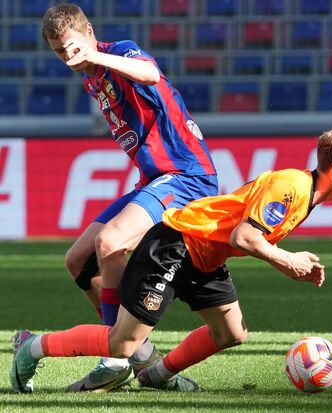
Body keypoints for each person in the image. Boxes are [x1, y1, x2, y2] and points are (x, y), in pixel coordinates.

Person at [10, 123, 332, 394]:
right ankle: (33, 346)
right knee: (121, 345)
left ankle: (155, 376)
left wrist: (288, 261)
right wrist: (287, 261)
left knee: (231, 333)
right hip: (175, 245)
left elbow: (242, 237)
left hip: (205, 255)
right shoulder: (291, 186)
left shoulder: (306, 196)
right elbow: (245, 236)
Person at [40, 3, 218, 392]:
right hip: (154, 179)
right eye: (59, 52)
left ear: (88, 31)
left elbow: (151, 74)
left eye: (73, 47)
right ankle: (140, 357)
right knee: (78, 261)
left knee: (110, 242)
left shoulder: (120, 51)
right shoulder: (91, 78)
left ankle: (115, 358)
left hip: (187, 175)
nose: (69, 58)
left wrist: (96, 55)